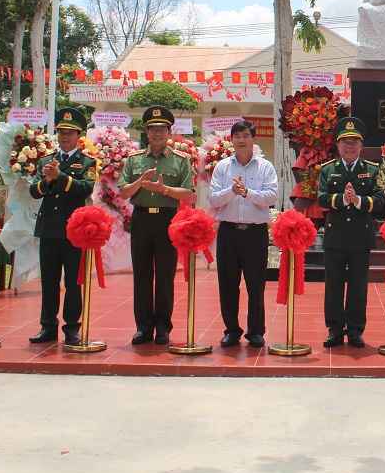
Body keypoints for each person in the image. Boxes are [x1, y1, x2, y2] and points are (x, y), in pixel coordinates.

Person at [118, 106, 195, 346]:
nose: (157, 133)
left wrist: (165, 190)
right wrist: (140, 182)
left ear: (170, 132)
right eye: (153, 129)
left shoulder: (180, 161)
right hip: (141, 220)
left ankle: (162, 326)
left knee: (164, 276)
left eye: (162, 129)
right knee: (141, 276)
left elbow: (189, 195)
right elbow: (122, 192)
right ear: (146, 132)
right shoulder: (134, 160)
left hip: (167, 221)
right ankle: (143, 327)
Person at [317, 117, 385, 348]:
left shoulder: (372, 169)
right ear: (338, 145)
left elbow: (380, 201)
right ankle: (334, 329)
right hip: (335, 236)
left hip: (360, 236)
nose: (349, 146)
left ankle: (355, 330)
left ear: (361, 145)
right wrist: (340, 199)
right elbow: (321, 198)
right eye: (345, 142)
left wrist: (358, 200)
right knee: (333, 285)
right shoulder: (329, 169)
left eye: (354, 142)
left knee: (358, 286)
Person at [28, 107, 97, 346]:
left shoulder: (87, 162)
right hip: (49, 229)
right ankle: (47, 326)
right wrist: (47, 180)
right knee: (49, 281)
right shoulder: (46, 160)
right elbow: (33, 191)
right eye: (61, 132)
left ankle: (71, 328)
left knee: (73, 283)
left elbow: (85, 188)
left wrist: (61, 178)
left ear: (79, 135)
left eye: (70, 132)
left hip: (75, 232)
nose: (65, 137)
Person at [208, 120, 278, 348]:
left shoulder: (265, 167)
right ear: (231, 139)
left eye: (245, 135)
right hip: (228, 233)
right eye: (236, 136)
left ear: (253, 139)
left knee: (255, 284)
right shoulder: (222, 167)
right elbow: (214, 199)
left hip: (255, 233)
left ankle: (256, 331)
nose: (241, 140)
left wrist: (247, 192)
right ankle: (231, 330)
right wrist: (232, 190)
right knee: (227, 283)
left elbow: (271, 197)